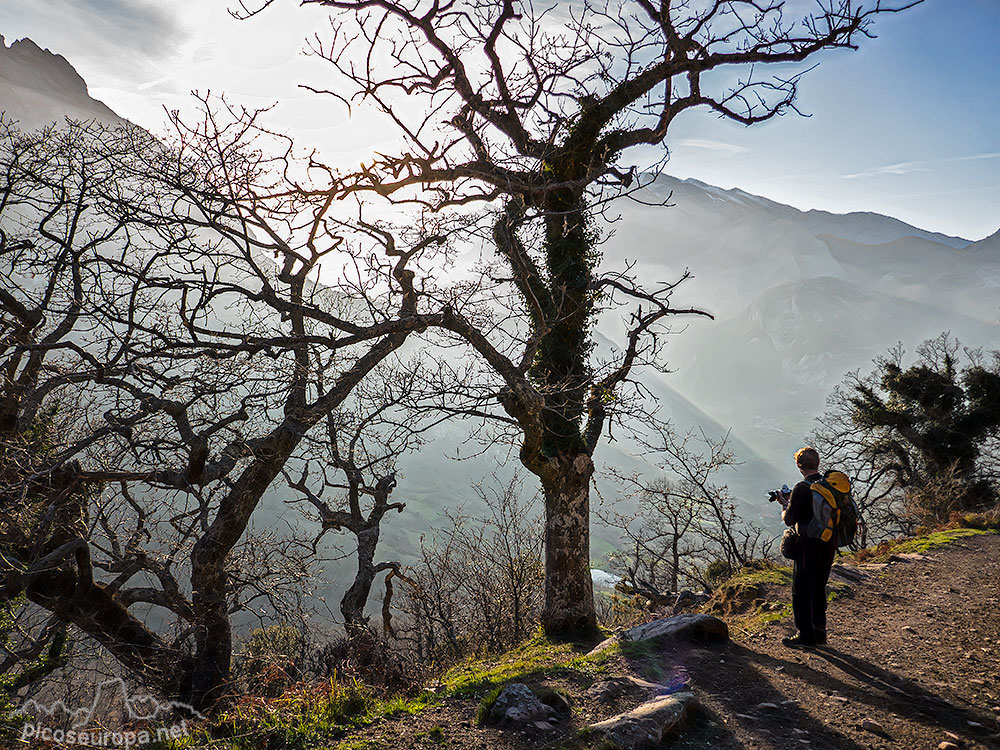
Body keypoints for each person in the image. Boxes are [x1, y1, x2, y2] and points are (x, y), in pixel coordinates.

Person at [780, 446, 837, 649]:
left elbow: (789, 520)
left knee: (801, 589)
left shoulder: (802, 488)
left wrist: (784, 505)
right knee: (819, 587)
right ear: (818, 463)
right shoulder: (829, 485)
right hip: (828, 542)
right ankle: (820, 633)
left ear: (800, 466)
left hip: (807, 545)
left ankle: (805, 635)